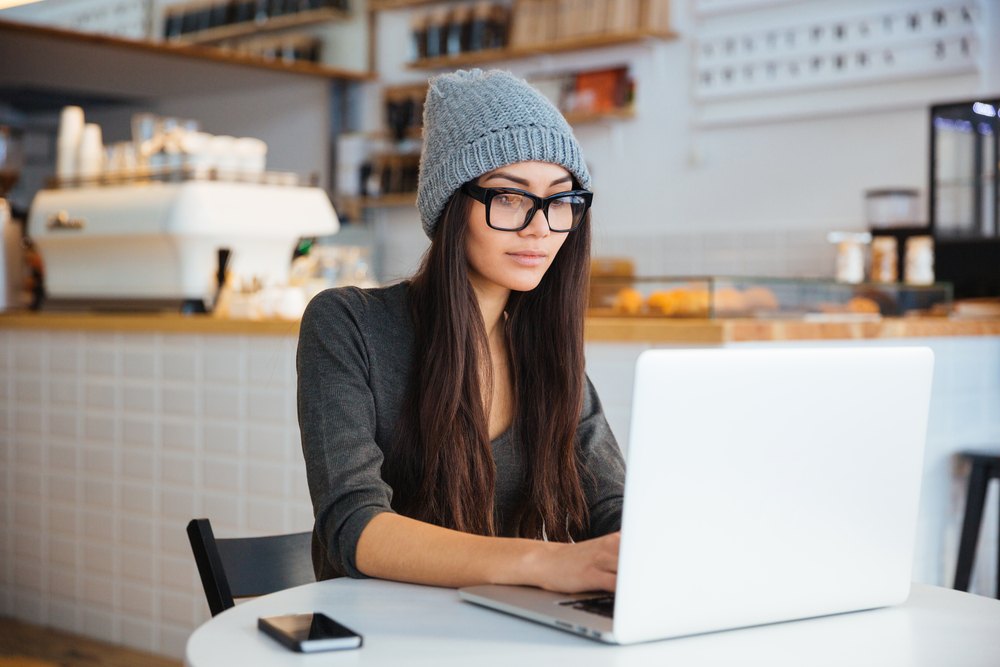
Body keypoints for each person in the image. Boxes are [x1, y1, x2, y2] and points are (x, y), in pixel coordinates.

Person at [297, 69, 624, 595]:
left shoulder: (545, 353)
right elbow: (353, 527)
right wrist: (540, 563)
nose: (540, 226)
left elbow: (608, 505)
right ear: (453, 207)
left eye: (561, 200)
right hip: (376, 635)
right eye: (511, 198)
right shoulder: (347, 325)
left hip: (498, 632)